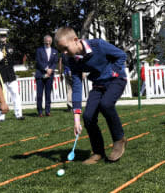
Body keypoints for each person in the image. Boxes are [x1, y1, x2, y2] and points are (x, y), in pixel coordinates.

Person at [54, 27, 128, 164]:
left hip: (116, 80)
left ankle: (119, 140)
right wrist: (76, 119)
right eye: (61, 50)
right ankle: (98, 152)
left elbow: (122, 55)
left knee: (106, 104)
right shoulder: (72, 60)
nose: (64, 53)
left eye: (65, 48)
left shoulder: (98, 45)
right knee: (88, 116)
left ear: (76, 40)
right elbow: (77, 87)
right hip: (98, 85)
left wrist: (112, 72)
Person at [0, 29, 24, 121]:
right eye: (1, 36)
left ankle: (19, 114)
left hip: (11, 74)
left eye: (4, 36)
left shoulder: (11, 46)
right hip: (0, 74)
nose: (3, 38)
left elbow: (15, 58)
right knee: (0, 96)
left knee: (15, 94)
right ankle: (1, 116)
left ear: (6, 37)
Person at [35, 35, 58, 117]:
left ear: (51, 41)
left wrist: (51, 69)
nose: (48, 42)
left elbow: (55, 62)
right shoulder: (39, 50)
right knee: (39, 94)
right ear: (44, 41)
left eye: (49, 40)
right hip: (40, 75)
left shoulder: (55, 51)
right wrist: (46, 69)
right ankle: (40, 112)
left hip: (50, 75)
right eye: (46, 40)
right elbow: (38, 61)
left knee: (48, 93)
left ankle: (48, 111)